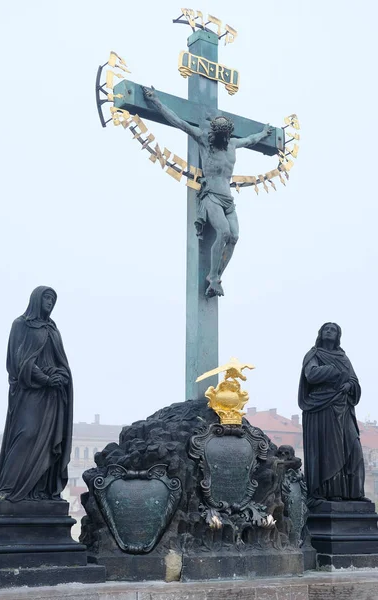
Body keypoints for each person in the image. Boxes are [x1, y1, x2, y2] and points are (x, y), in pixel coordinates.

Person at [143, 85, 273, 297]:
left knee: (234, 236)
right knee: (223, 232)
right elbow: (179, 122)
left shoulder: (233, 144)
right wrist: (156, 102)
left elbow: (252, 140)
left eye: (223, 134)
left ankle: (217, 276)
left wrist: (264, 133)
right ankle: (213, 278)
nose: (220, 137)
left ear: (227, 134)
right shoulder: (205, 140)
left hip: (228, 200)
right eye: (217, 133)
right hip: (211, 195)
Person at [0, 287, 73, 502]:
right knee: (27, 434)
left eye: (53, 299)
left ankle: (39, 491)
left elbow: (60, 360)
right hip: (30, 391)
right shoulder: (21, 324)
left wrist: (61, 375)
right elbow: (18, 361)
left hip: (52, 396)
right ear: (36, 300)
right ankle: (8, 488)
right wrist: (44, 378)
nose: (50, 302)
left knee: (48, 440)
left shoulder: (52, 328)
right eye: (46, 298)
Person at [298, 322, 365, 502]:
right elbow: (311, 375)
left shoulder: (343, 357)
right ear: (321, 333)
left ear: (337, 336)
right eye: (326, 329)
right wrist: (333, 372)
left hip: (343, 407)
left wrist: (350, 384)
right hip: (322, 407)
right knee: (331, 450)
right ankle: (332, 492)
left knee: (354, 448)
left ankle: (355, 493)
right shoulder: (314, 354)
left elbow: (354, 381)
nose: (329, 331)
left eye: (333, 329)